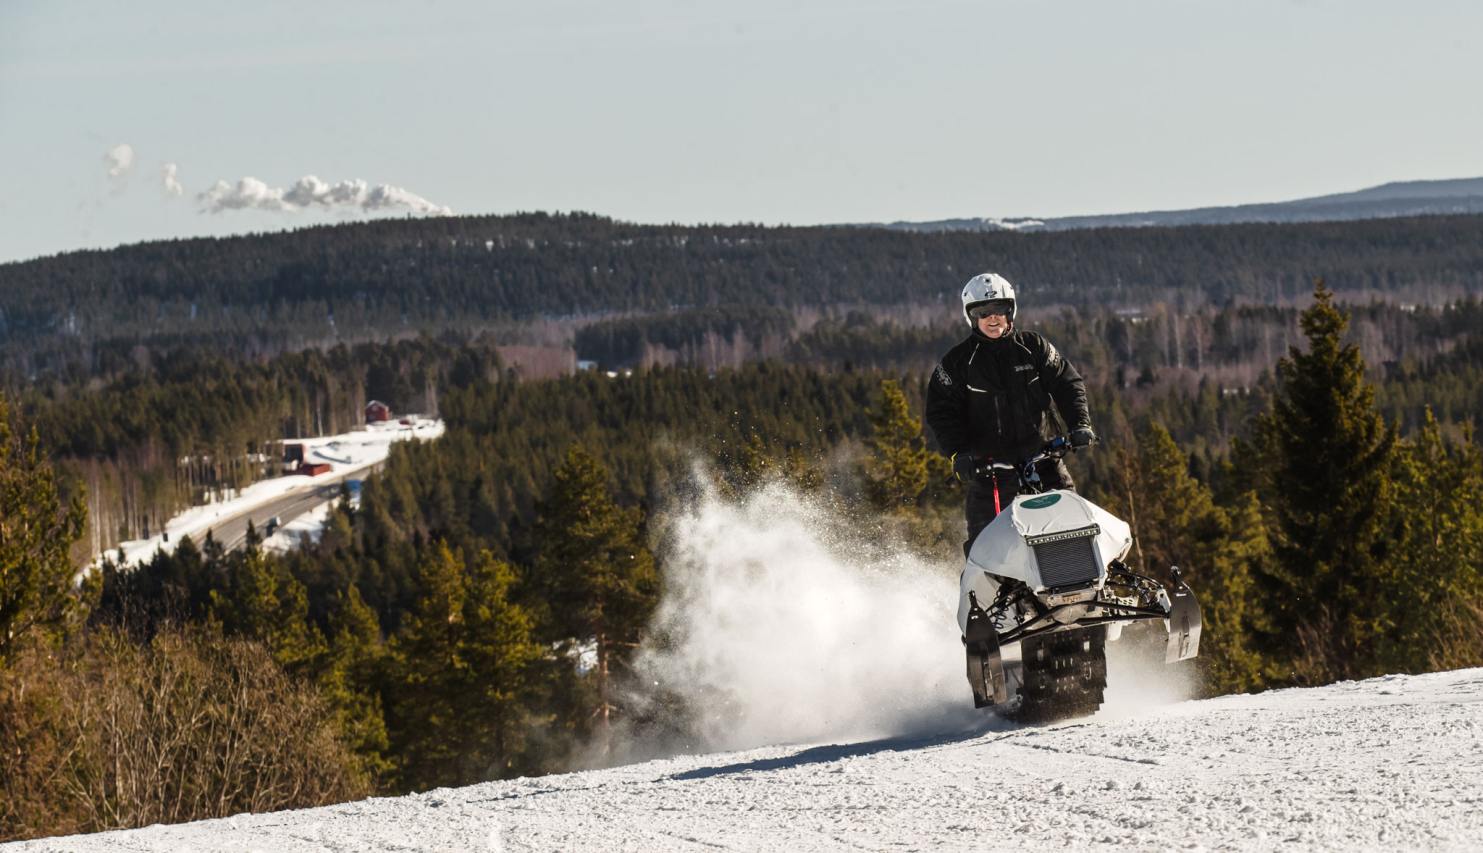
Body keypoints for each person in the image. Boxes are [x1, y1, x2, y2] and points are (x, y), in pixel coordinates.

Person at [925, 273, 1095, 556]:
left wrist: (1080, 424)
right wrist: (959, 453)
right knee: (986, 552)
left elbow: (1067, 383)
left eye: (1000, 310)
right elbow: (941, 411)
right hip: (990, 472)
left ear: (1011, 311)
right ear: (972, 317)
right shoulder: (957, 362)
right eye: (983, 312)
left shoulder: (1033, 347)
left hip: (1044, 462)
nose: (993, 319)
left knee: (1077, 532)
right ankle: (985, 600)